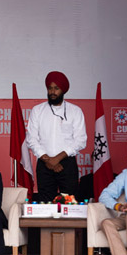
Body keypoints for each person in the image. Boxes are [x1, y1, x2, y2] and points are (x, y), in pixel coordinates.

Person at [26, 71, 87, 202]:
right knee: (46, 203)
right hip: (44, 163)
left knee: (69, 203)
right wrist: (48, 160)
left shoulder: (75, 111)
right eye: (50, 88)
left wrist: (57, 159)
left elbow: (81, 140)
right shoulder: (38, 110)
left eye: (56, 88)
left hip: (67, 164)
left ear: (63, 90)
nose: (52, 92)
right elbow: (31, 139)